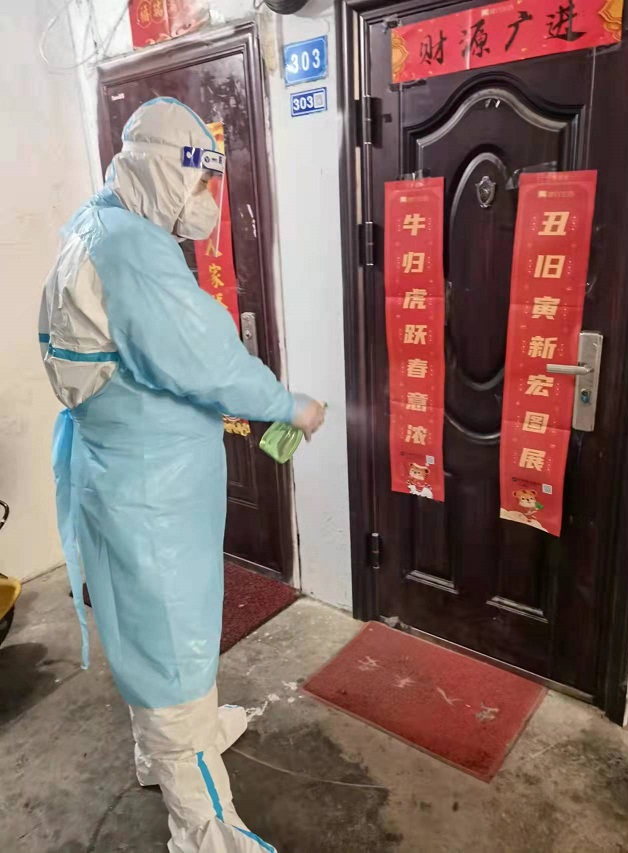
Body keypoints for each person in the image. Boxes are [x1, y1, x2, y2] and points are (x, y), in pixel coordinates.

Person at [38, 98, 324, 853]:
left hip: (127, 476)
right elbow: (207, 359)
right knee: (170, 645)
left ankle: (160, 750)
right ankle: (204, 826)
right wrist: (289, 404)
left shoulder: (100, 225)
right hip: (149, 494)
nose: (207, 201)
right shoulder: (131, 251)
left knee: (149, 632)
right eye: (199, 183)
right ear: (160, 173)